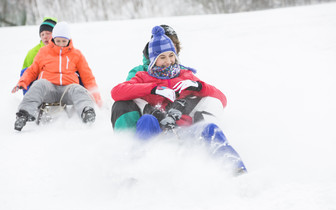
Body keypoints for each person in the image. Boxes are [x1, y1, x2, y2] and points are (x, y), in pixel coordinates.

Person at [111, 26, 246, 175]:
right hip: (157, 133)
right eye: (162, 57)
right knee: (147, 120)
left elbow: (222, 99)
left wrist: (198, 86)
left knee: (210, 129)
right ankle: (135, 171)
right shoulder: (143, 76)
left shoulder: (185, 74)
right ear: (153, 59)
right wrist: (153, 89)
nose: (168, 61)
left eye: (171, 55)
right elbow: (117, 92)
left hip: (182, 130)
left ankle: (235, 170)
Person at [11, 22, 102, 131]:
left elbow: (88, 77)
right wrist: (22, 82)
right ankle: (23, 114)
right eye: (58, 41)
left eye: (64, 41)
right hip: (49, 88)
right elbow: (32, 70)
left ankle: (87, 111)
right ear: (53, 39)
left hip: (67, 89)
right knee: (38, 84)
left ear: (69, 40)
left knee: (78, 89)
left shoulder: (76, 54)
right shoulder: (44, 52)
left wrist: (96, 97)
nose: (61, 44)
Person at [111, 25, 184, 130]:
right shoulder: (139, 72)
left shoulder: (182, 72)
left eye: (172, 45)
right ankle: (127, 139)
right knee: (122, 104)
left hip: (174, 118)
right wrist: (153, 90)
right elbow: (123, 93)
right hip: (144, 118)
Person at [21, 17, 58, 94]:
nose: (45, 36)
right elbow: (25, 73)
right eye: (42, 34)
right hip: (39, 83)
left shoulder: (63, 49)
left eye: (48, 33)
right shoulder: (33, 52)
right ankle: (30, 98)